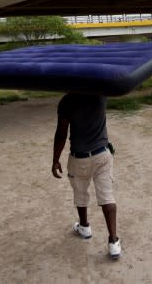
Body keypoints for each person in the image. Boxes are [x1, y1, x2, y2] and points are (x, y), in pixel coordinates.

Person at [52, 93, 121, 260]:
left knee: (80, 193)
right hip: (102, 155)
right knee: (107, 197)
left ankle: (84, 227)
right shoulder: (101, 93)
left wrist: (55, 160)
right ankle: (113, 242)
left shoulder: (67, 101)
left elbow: (61, 133)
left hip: (79, 157)